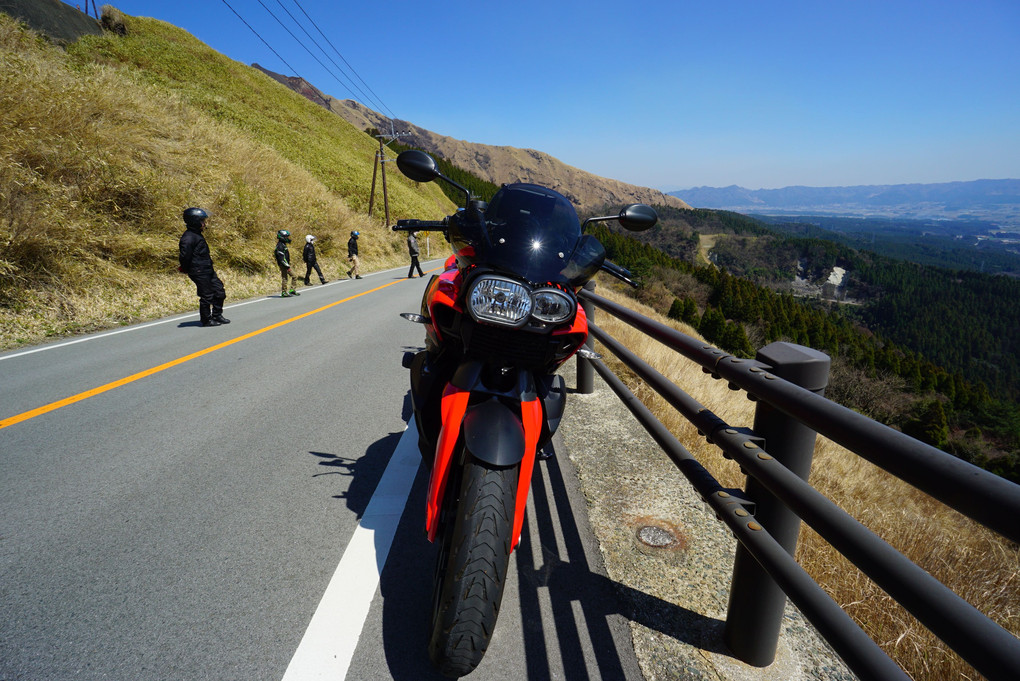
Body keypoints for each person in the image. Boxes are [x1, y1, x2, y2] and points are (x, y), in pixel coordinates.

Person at [178, 207, 230, 327]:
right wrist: (185, 268)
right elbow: (185, 256)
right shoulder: (188, 237)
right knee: (207, 296)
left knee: (219, 291)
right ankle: (206, 320)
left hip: (207, 269)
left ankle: (217, 315)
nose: (204, 223)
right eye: (201, 221)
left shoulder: (196, 235)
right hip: (199, 271)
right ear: (194, 221)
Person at [274, 229, 301, 297]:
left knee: (292, 277)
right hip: (283, 265)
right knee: (286, 277)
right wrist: (287, 266)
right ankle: (284, 292)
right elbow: (281, 258)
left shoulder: (283, 244)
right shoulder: (280, 245)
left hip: (285, 264)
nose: (287, 238)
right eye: (286, 237)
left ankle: (292, 290)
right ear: (282, 237)